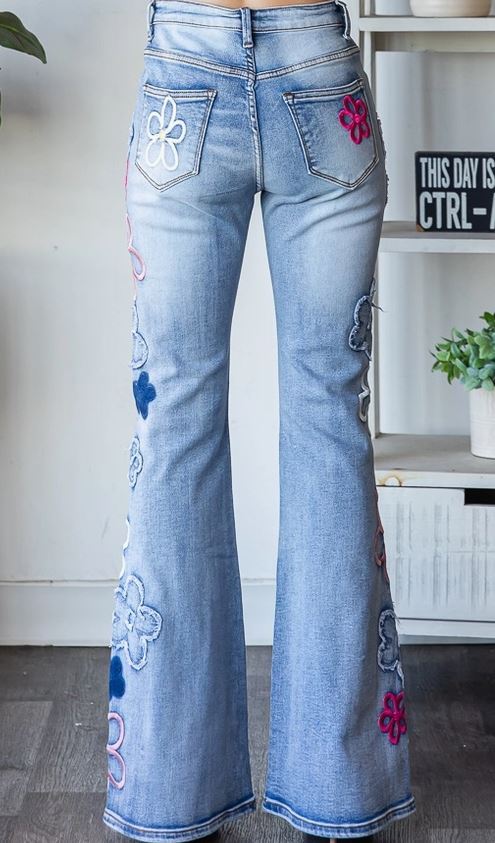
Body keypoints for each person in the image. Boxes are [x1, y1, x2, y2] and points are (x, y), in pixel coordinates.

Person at [103, 0, 416, 840]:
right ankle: (338, 794)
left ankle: (169, 796)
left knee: (174, 425)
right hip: (320, 74)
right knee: (327, 422)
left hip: (183, 80)